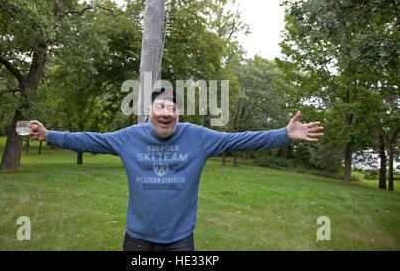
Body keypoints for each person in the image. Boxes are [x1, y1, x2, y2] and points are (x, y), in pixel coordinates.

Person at [29, 87, 324, 251]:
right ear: (150, 112)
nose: (166, 113)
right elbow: (90, 141)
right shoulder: (129, 137)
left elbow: (241, 139)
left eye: (172, 109)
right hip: (137, 239)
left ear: (178, 114)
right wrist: (49, 135)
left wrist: (283, 134)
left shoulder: (198, 137)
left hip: (180, 241)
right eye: (160, 107)